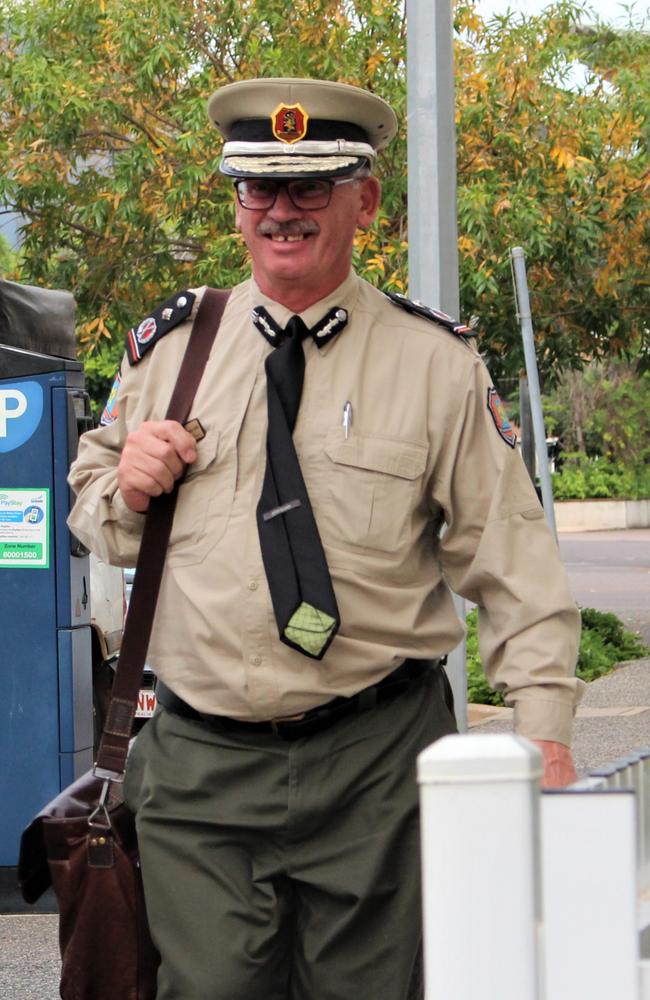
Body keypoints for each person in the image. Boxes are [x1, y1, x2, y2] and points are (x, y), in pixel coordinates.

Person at [68, 77, 584, 1000]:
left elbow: (514, 564)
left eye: (312, 185)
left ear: (365, 199)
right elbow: (97, 521)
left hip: (377, 761)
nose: (281, 211)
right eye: (259, 189)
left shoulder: (437, 365)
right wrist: (127, 486)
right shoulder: (170, 350)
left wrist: (543, 732)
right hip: (202, 762)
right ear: (237, 205)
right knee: (211, 988)